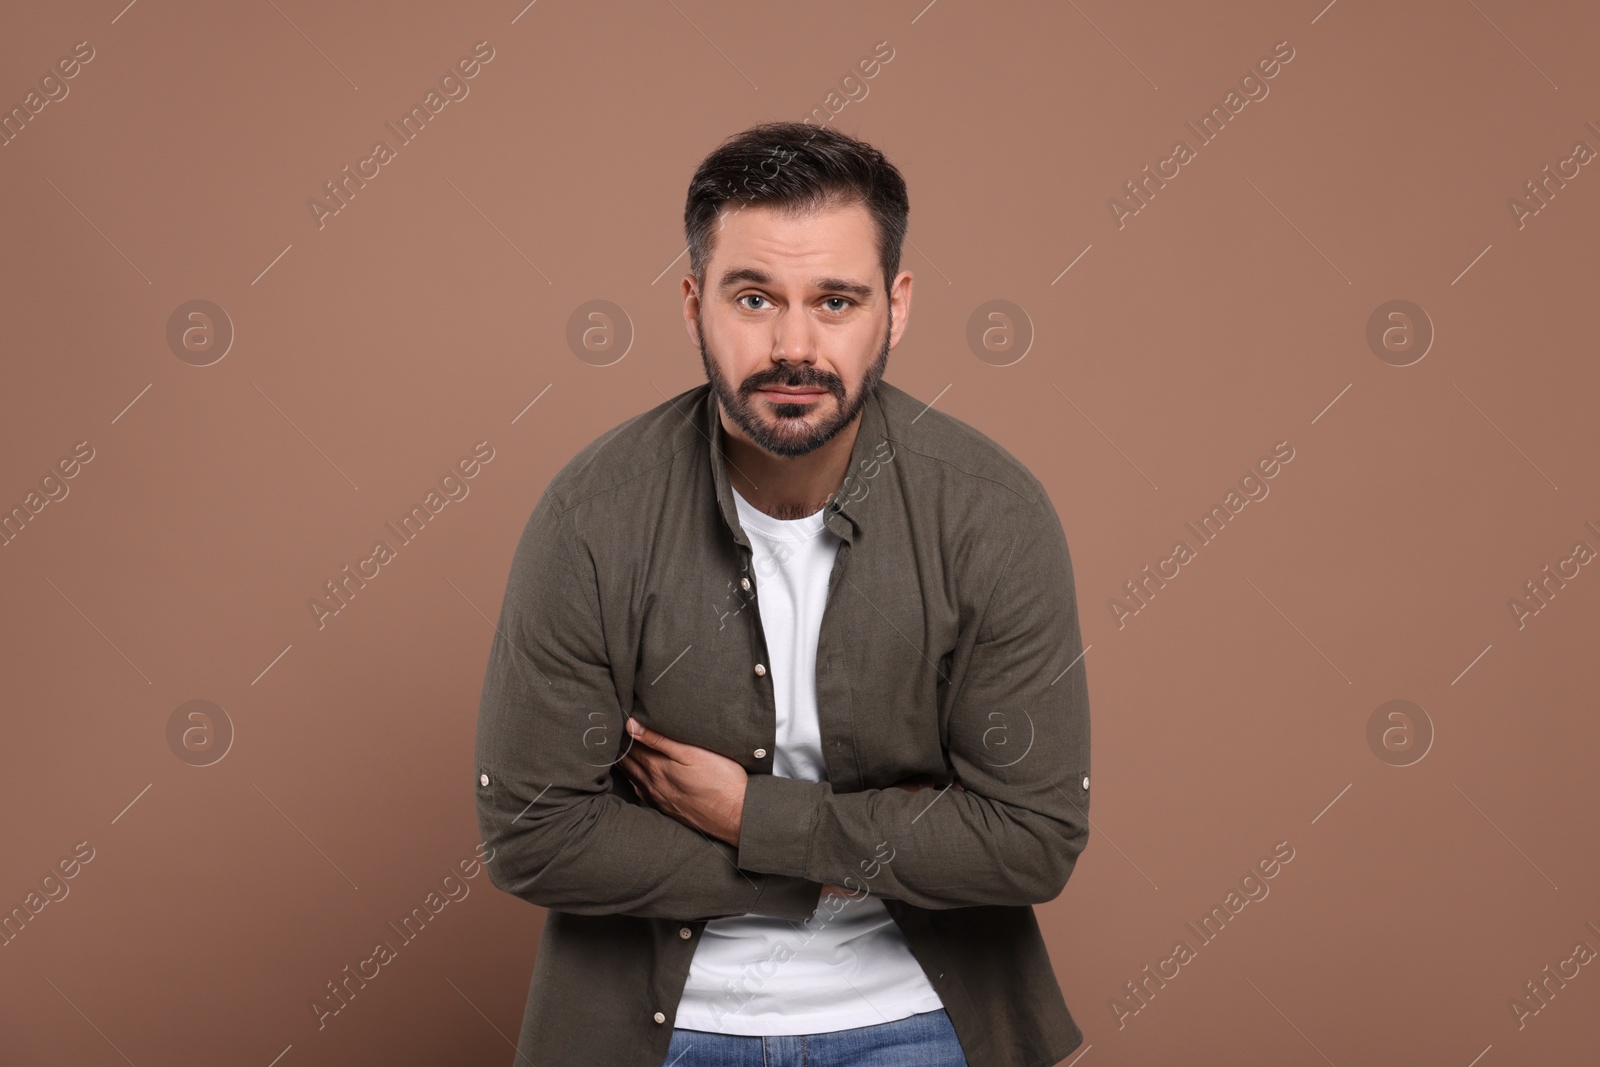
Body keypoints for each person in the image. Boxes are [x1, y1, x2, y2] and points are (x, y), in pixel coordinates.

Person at [473, 120, 1091, 1067]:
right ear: (692, 305)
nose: (793, 345)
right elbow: (532, 835)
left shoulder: (992, 515)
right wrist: (832, 862)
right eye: (754, 296)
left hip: (921, 1020)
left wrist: (744, 813)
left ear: (897, 305)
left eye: (836, 300)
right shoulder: (592, 518)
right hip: (660, 1035)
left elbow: (1030, 839)